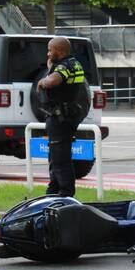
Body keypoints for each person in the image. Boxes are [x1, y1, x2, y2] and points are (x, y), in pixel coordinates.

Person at [36, 37, 88, 197]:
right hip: (68, 115)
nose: (48, 53)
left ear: (59, 51)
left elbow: (53, 81)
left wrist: (41, 82)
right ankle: (53, 191)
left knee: (60, 159)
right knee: (55, 156)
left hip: (60, 118)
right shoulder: (74, 63)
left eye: (50, 50)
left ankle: (65, 194)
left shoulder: (64, 67)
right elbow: (57, 70)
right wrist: (51, 65)